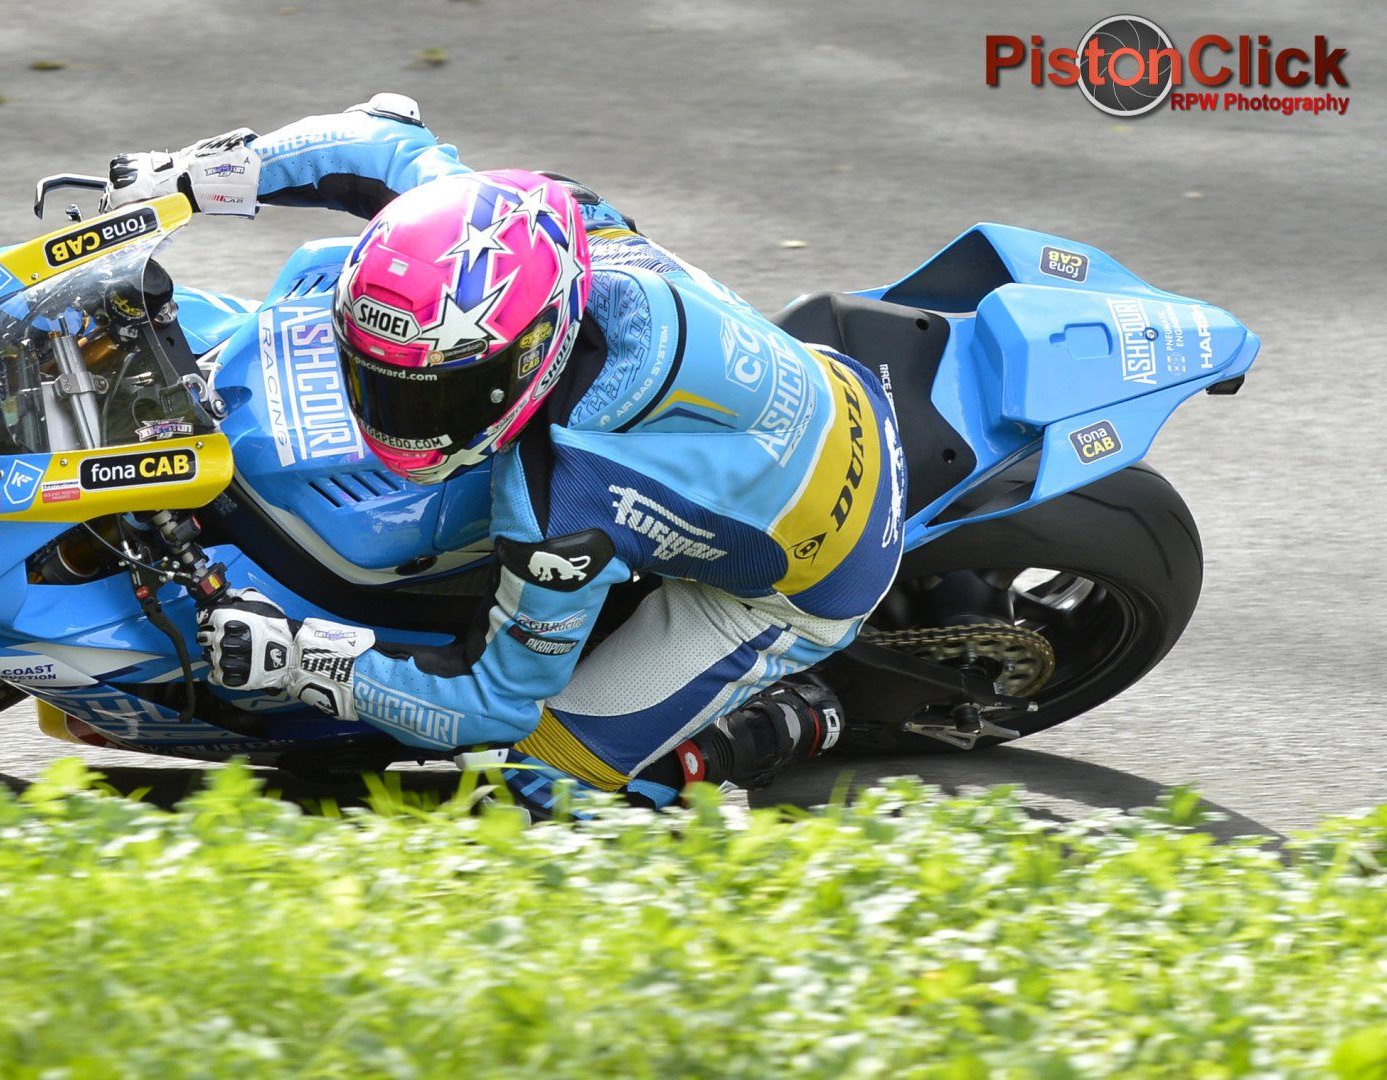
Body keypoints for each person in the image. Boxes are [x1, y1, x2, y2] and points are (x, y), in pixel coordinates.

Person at [104, 95, 907, 816]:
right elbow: (377, 143)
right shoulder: (540, 225)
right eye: (378, 384)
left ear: (531, 353)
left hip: (816, 565)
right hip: (805, 391)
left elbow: (494, 701)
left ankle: (763, 730)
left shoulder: (565, 499)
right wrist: (188, 177)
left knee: (537, 779)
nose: (400, 423)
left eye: (435, 397)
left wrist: (302, 663)